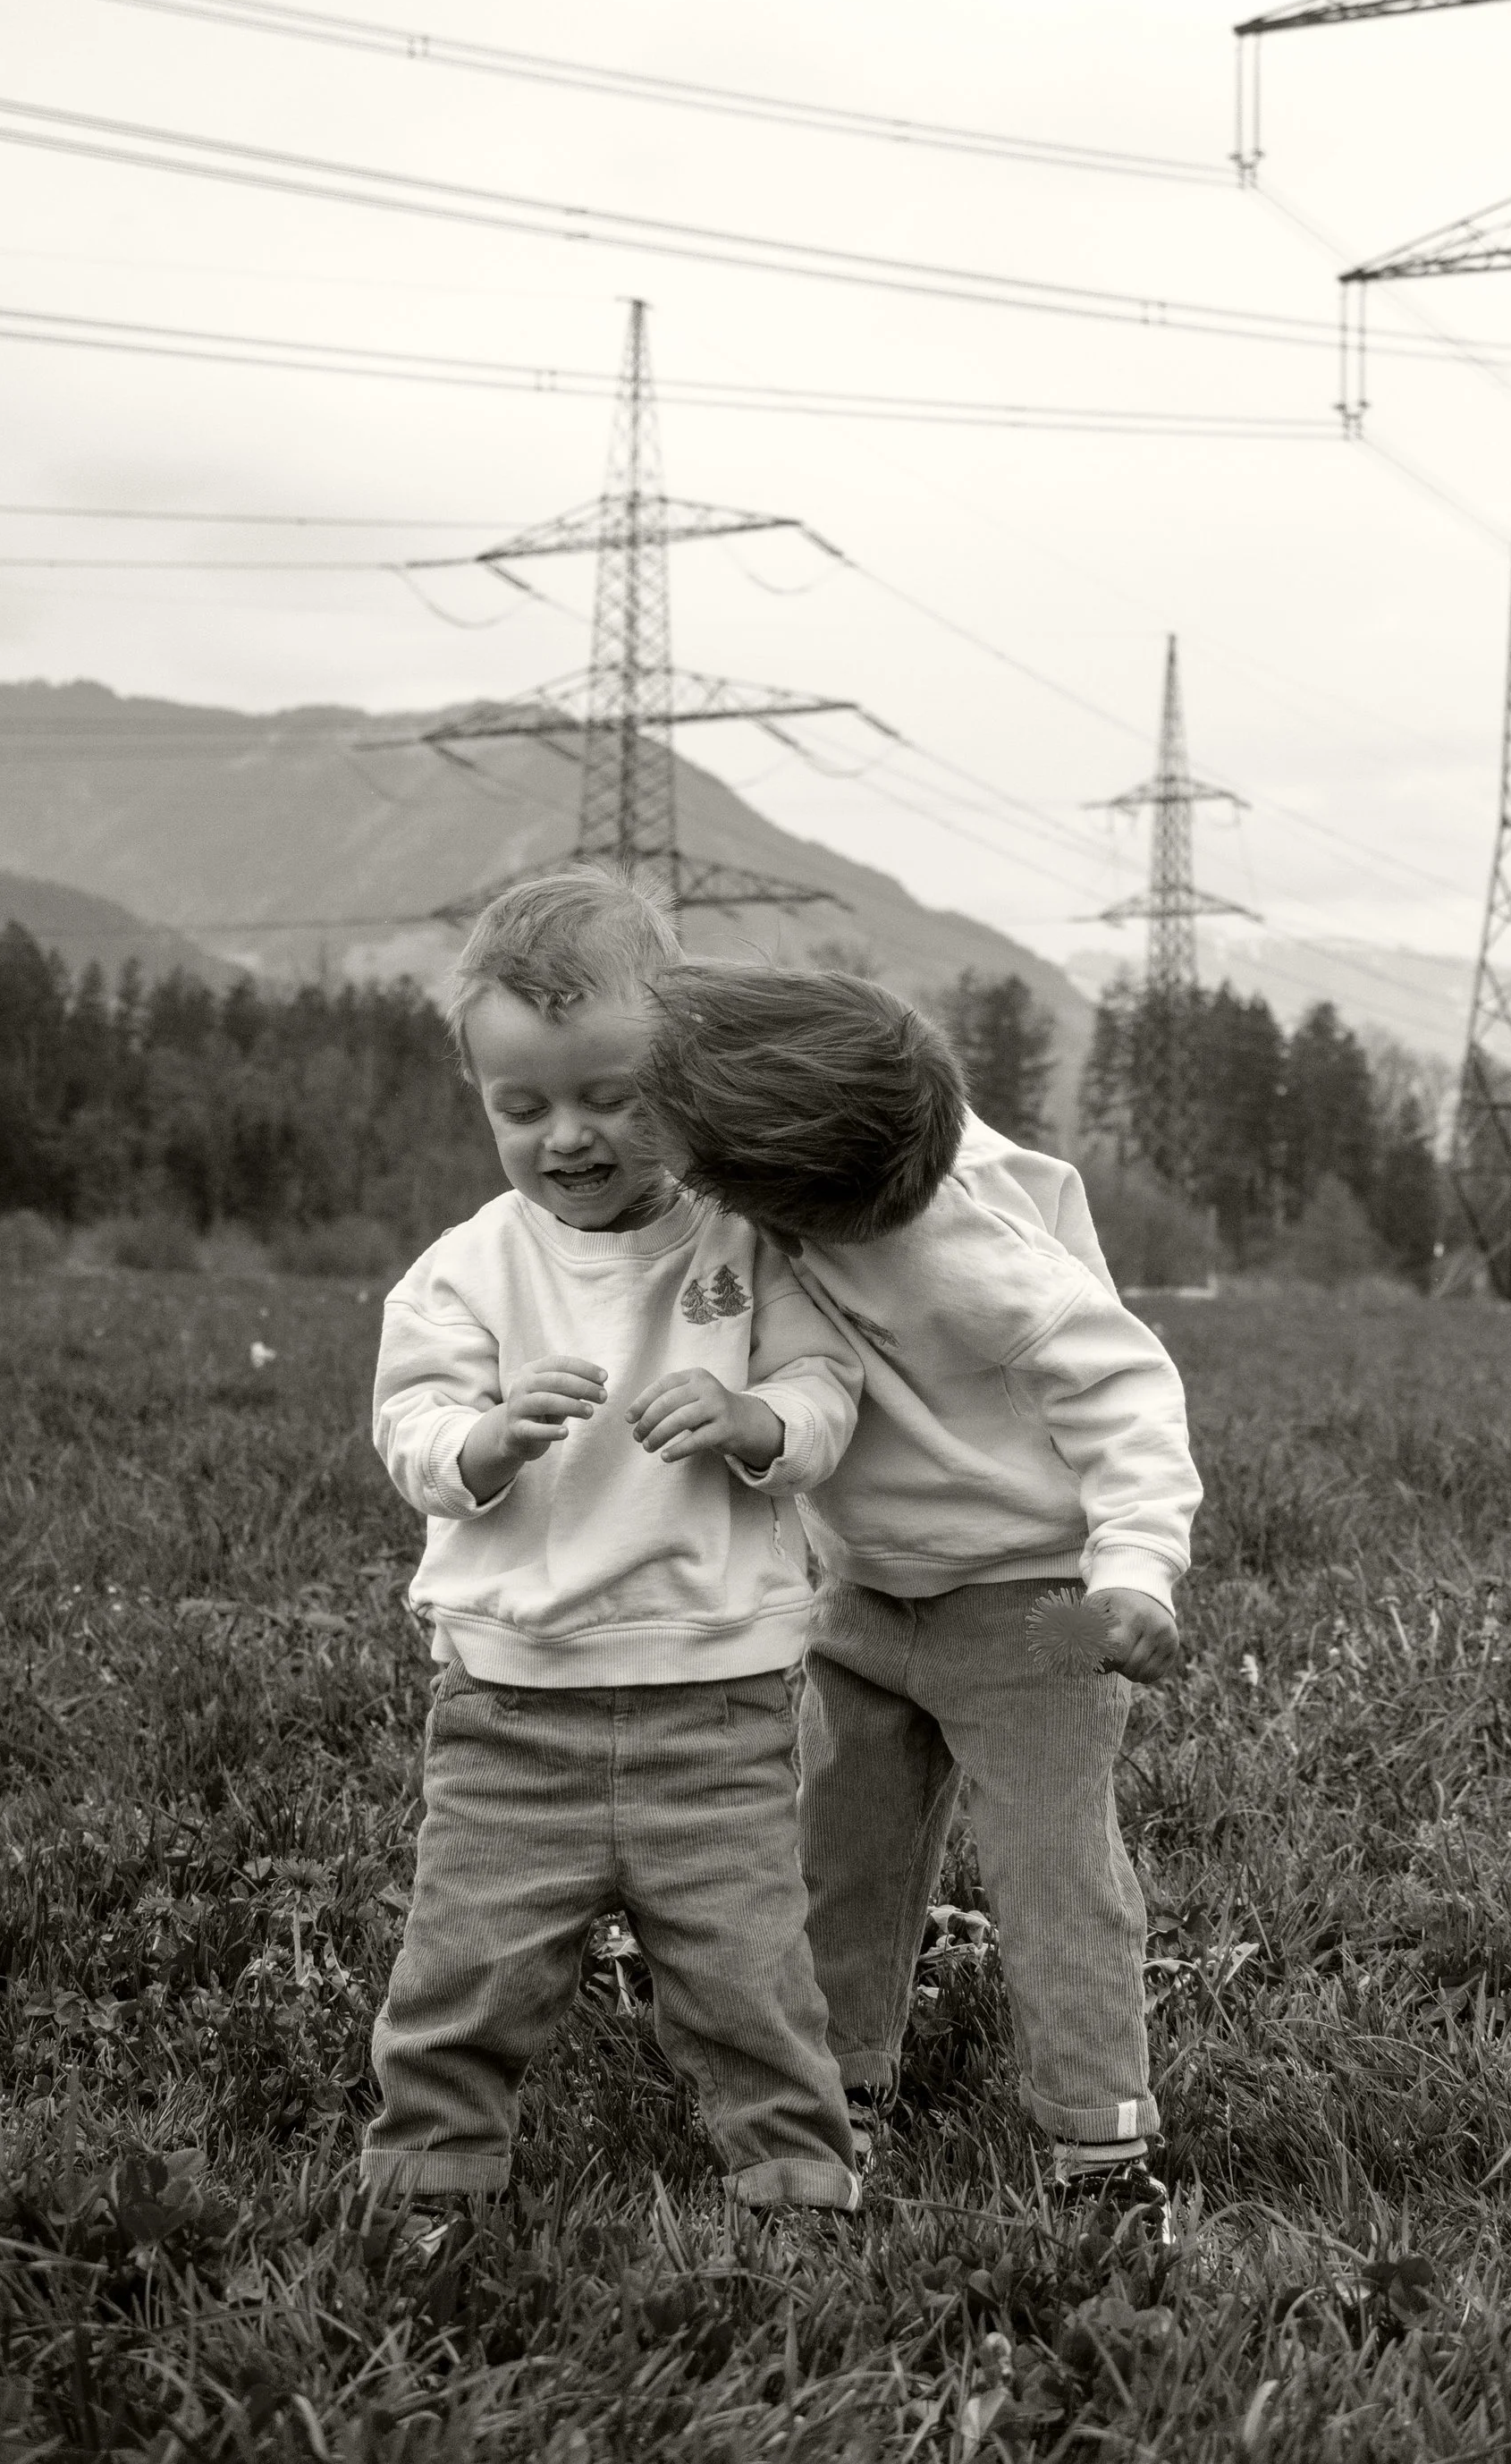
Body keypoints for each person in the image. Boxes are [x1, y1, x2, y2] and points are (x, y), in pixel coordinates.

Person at [637, 961, 1201, 2219]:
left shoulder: (965, 1249)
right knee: (843, 1853)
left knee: (1052, 1872)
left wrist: (1135, 1568)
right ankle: (841, 2090)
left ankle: (1101, 2145)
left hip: (1032, 1604)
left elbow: (1128, 1390)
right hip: (865, 1595)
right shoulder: (777, 1180)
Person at [361, 871, 863, 2216]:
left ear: (681, 1075)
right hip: (513, 1706)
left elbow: (826, 1392)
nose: (567, 1137)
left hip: (718, 1699)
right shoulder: (467, 1269)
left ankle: (795, 2174)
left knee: (750, 1970)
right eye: (522, 1108)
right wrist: (484, 1440)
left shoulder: (747, 1247)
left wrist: (755, 1418)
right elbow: (410, 1425)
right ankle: (430, 2175)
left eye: (611, 1097)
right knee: (468, 1960)